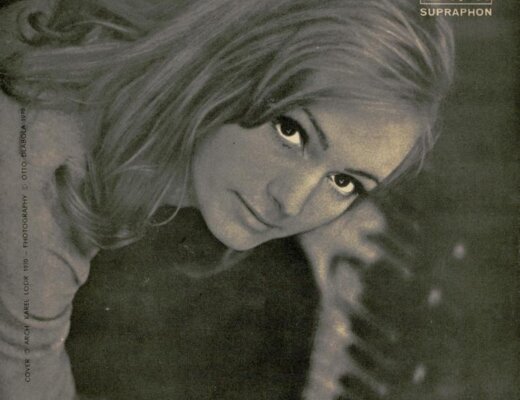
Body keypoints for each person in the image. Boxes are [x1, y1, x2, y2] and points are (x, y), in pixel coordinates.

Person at [0, 0, 454, 399]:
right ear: (229, 63)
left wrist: (318, 167)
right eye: (291, 130)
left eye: (345, 181)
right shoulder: (38, 208)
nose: (292, 203)